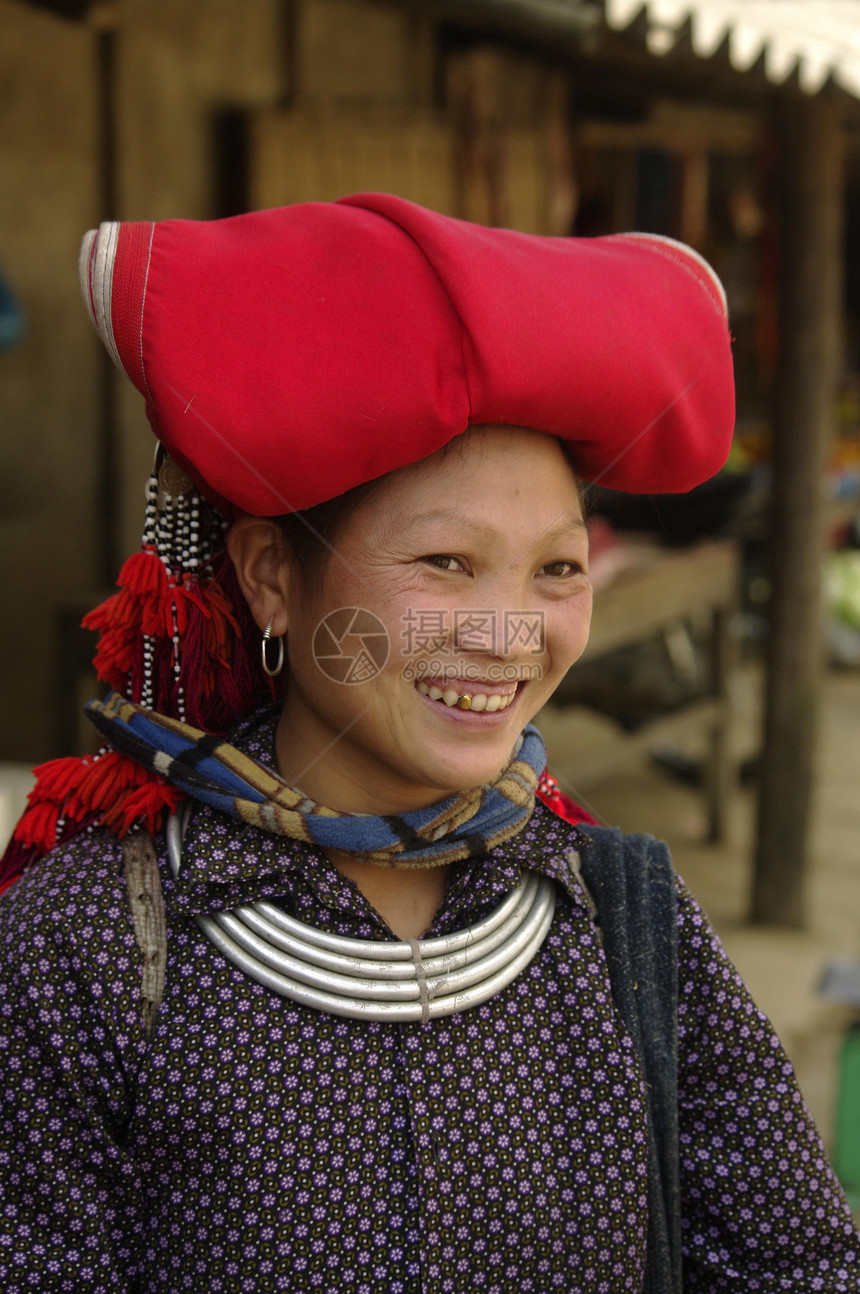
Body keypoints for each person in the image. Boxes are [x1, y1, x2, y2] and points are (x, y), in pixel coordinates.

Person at [0, 194, 857, 1294]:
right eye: (444, 565)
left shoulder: (627, 924)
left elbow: (798, 1268)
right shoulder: (87, 952)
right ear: (271, 578)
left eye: (554, 569)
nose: (506, 632)